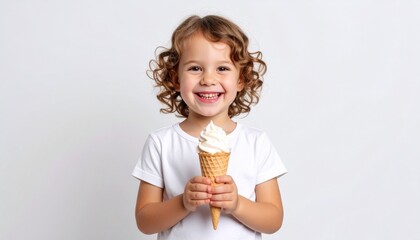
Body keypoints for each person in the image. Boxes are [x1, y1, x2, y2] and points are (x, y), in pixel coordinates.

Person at [132, 15, 287, 239]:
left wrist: (237, 204)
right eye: (195, 68)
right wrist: (183, 203)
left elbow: (273, 220)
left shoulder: (255, 142)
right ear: (176, 78)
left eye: (222, 68)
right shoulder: (161, 143)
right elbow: (145, 221)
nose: (208, 79)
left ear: (241, 79)